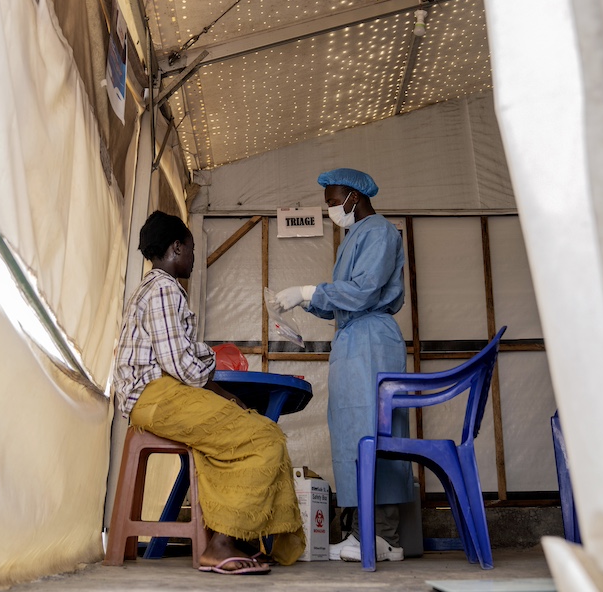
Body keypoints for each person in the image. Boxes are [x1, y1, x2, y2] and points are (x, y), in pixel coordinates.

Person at [113, 211, 306, 575]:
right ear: (176, 247)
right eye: (191, 250)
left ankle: (241, 540)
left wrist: (217, 385)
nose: (193, 259)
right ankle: (219, 544)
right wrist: (209, 362)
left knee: (237, 431)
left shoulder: (151, 288)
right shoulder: (165, 289)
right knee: (263, 437)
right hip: (155, 398)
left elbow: (183, 365)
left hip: (158, 396)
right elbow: (184, 367)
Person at [276, 168, 413, 563]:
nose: (331, 209)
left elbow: (364, 290)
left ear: (354, 196)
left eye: (334, 202)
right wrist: (303, 301)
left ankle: (382, 535)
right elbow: (341, 299)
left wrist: (309, 290)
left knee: (375, 434)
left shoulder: (379, 232)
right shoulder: (355, 237)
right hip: (354, 340)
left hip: (372, 341)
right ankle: (365, 533)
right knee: (355, 435)